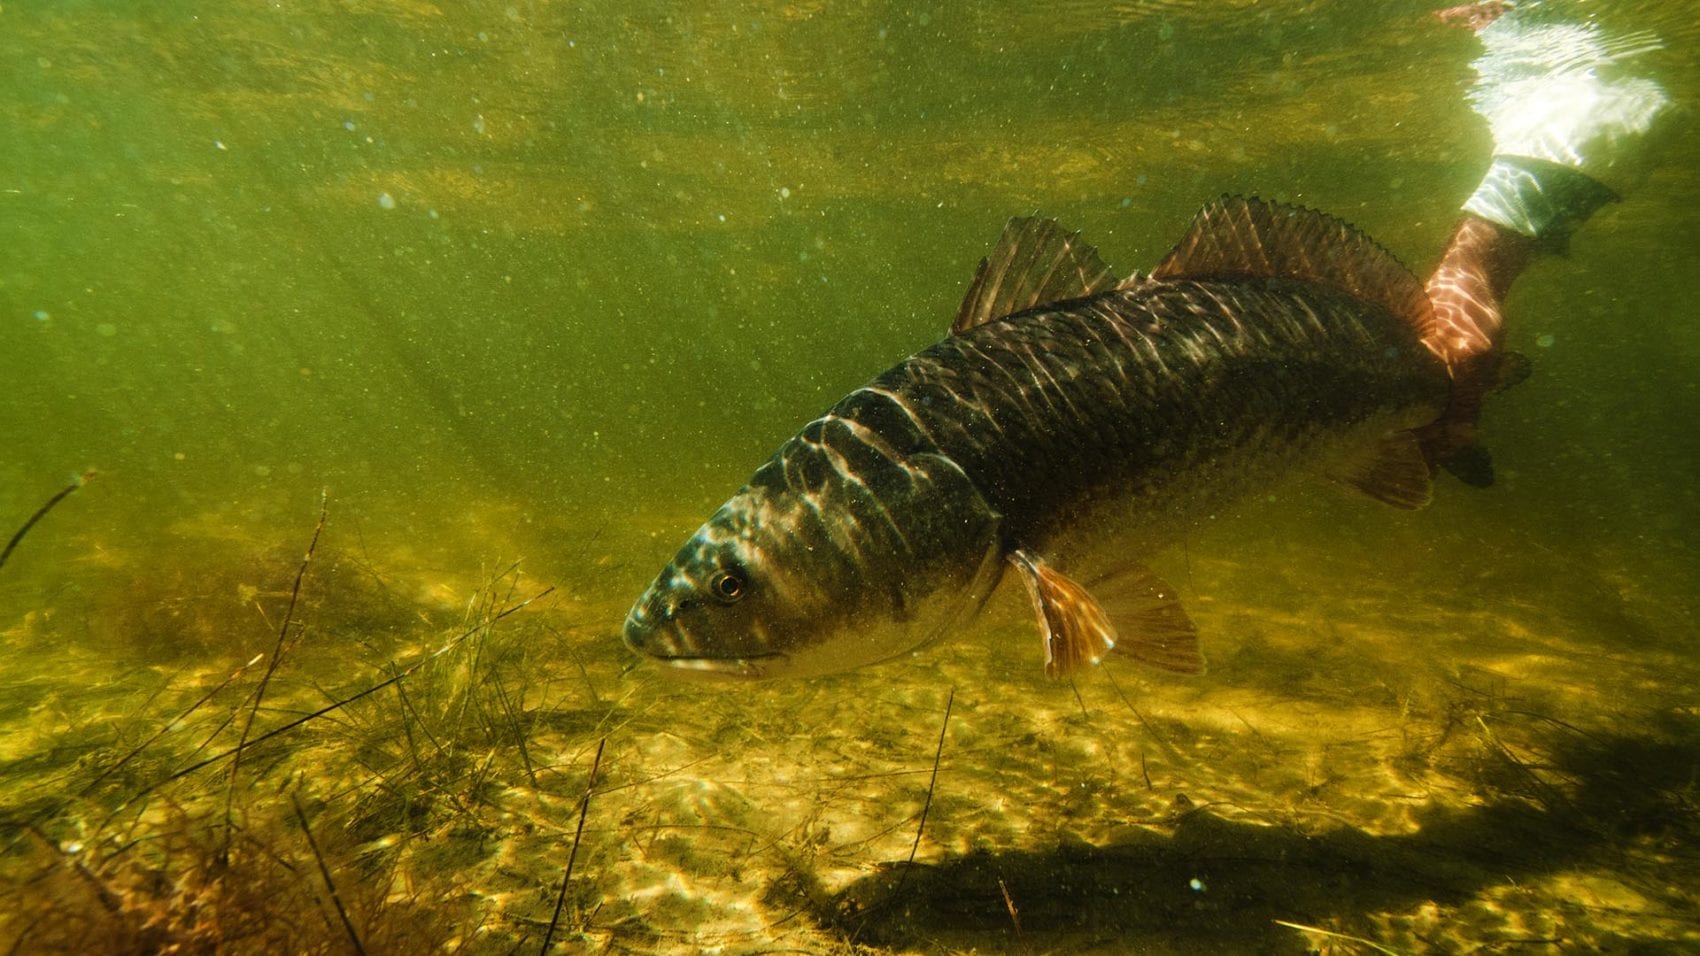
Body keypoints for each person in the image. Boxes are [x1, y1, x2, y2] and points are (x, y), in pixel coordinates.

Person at [1419, 1, 1669, 483]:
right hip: (1586, 131)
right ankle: (1509, 17)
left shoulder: (1460, 338)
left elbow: (1477, 343)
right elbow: (1471, 339)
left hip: (1599, 143)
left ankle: (1509, 19)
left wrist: (1462, 414)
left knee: (1467, 284)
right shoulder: (1454, 334)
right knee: (1464, 283)